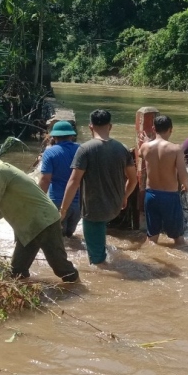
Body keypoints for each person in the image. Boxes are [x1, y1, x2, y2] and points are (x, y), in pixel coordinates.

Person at [0, 143, 79, 282]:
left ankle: (79, 288)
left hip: (43, 222)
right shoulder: (0, 170)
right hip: (29, 226)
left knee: (62, 269)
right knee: (17, 271)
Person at [61, 110, 137, 265]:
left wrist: (63, 209)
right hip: (114, 207)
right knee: (100, 234)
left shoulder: (85, 149)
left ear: (90, 126)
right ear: (110, 126)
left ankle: (101, 269)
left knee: (97, 260)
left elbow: (74, 181)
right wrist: (124, 196)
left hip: (94, 209)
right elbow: (133, 179)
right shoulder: (121, 148)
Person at [139, 115, 188, 245]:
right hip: (170, 196)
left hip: (151, 195)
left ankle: (150, 256)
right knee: (178, 238)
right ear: (171, 129)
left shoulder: (145, 147)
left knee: (152, 236)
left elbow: (140, 154)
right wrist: (186, 185)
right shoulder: (176, 149)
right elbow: (182, 173)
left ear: (153, 128)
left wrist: (148, 141)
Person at [38, 121, 81, 238]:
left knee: (58, 237)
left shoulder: (49, 152)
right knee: (70, 235)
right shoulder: (81, 150)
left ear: (54, 137)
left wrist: (38, 200)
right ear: (71, 136)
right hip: (78, 203)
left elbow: (45, 180)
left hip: (57, 201)